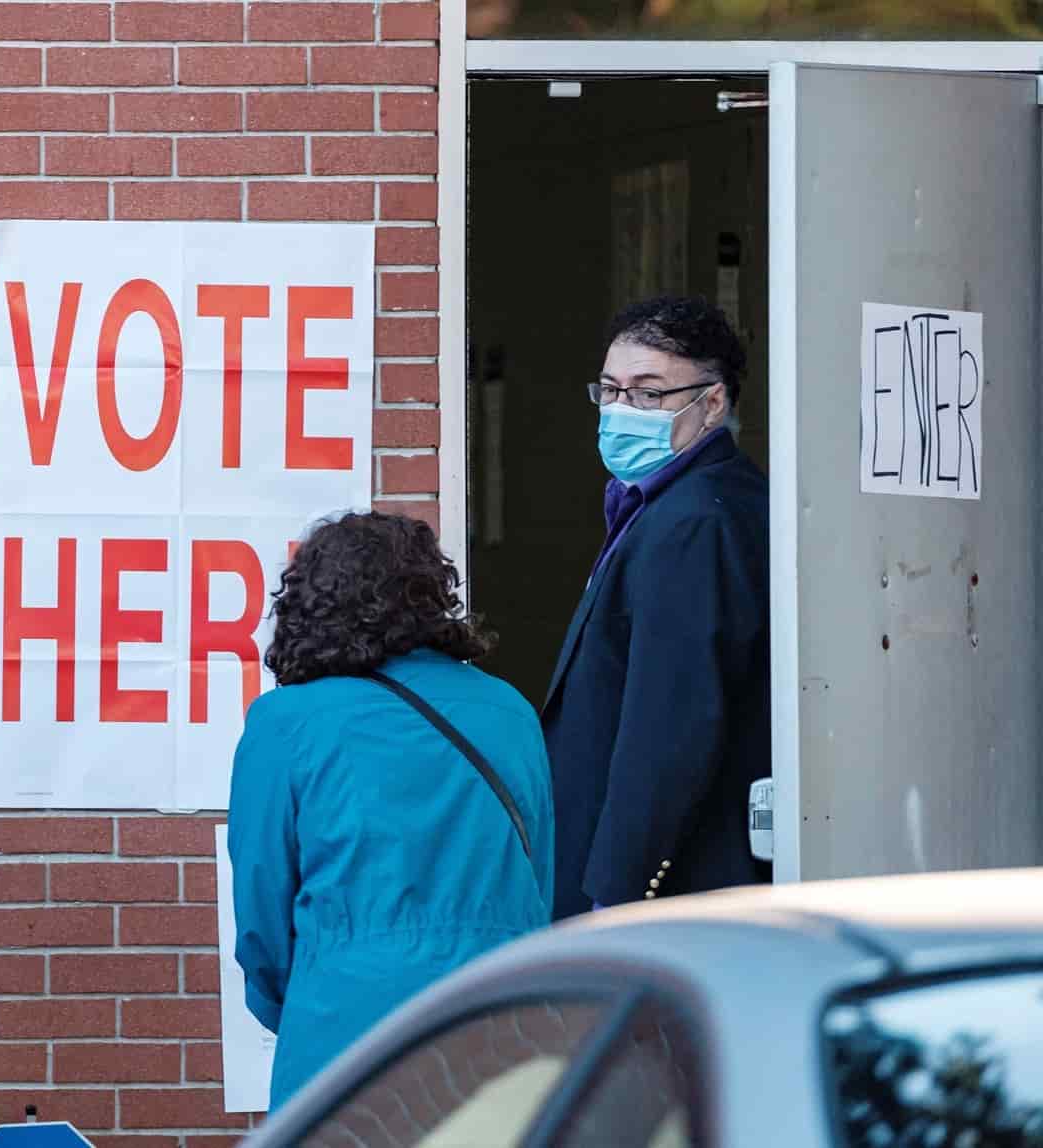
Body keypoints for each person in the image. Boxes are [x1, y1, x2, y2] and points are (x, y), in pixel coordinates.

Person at [228, 511, 554, 1109]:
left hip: (346, 1028)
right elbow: (538, 883)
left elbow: (262, 912)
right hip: (501, 1023)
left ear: (312, 603)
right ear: (431, 598)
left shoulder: (286, 722)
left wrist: (305, 1001)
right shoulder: (510, 711)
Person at [545, 296, 771, 920]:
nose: (623, 411)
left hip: (658, 891)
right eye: (611, 390)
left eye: (649, 394)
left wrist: (619, 892)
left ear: (713, 403)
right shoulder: (663, 503)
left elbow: (671, 719)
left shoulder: (696, 520)